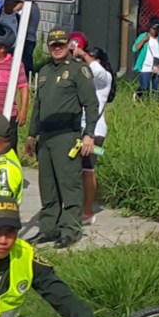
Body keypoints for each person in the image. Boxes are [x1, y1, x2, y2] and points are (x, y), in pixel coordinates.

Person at [27, 28, 99, 248]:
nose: (57, 48)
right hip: (46, 136)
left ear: (69, 45)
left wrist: (89, 135)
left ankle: (70, 230)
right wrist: (31, 134)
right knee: (47, 186)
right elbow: (38, 105)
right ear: (48, 47)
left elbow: (91, 104)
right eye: (53, 45)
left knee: (69, 185)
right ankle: (49, 228)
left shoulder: (78, 70)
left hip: (67, 135)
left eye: (61, 44)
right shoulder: (45, 71)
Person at [72, 38, 113, 224]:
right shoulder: (82, 79)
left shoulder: (104, 79)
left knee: (88, 169)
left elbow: (96, 70)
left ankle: (87, 211)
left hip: (95, 132)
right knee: (74, 169)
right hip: (77, 128)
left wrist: (82, 53)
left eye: (91, 59)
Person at [132, 16, 159, 98]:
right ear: (150, 27)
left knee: (156, 88)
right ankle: (137, 96)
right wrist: (143, 40)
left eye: (157, 28)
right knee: (145, 87)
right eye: (153, 28)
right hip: (145, 66)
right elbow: (134, 49)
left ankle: (153, 103)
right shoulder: (143, 36)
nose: (155, 31)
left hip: (157, 66)